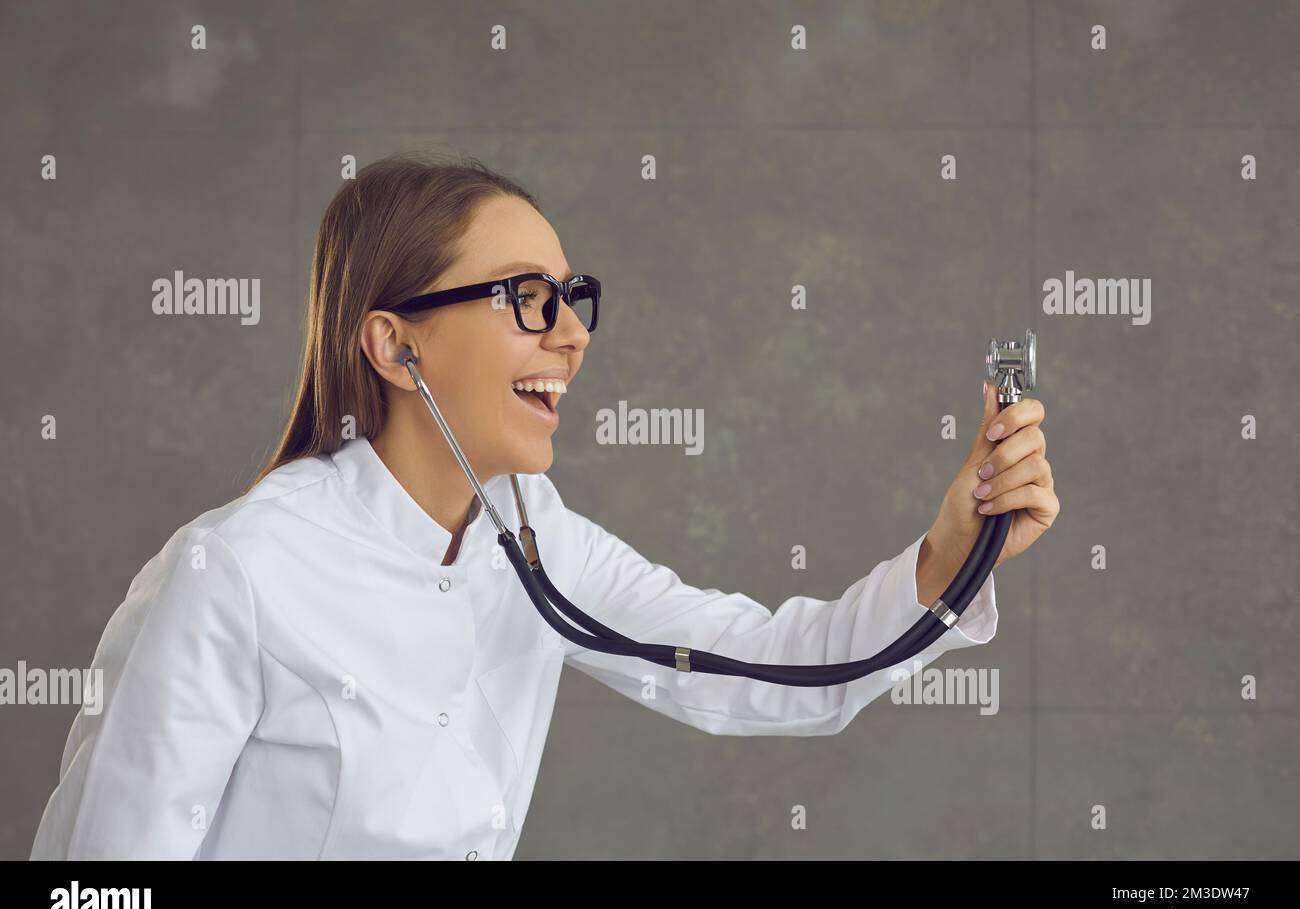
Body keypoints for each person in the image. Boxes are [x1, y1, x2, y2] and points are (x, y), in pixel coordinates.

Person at [30, 153, 1058, 860]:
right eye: (528, 299)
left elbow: (771, 673)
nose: (571, 334)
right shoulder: (241, 571)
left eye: (572, 298)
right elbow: (100, 891)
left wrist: (950, 552)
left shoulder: (532, 537)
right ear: (397, 346)